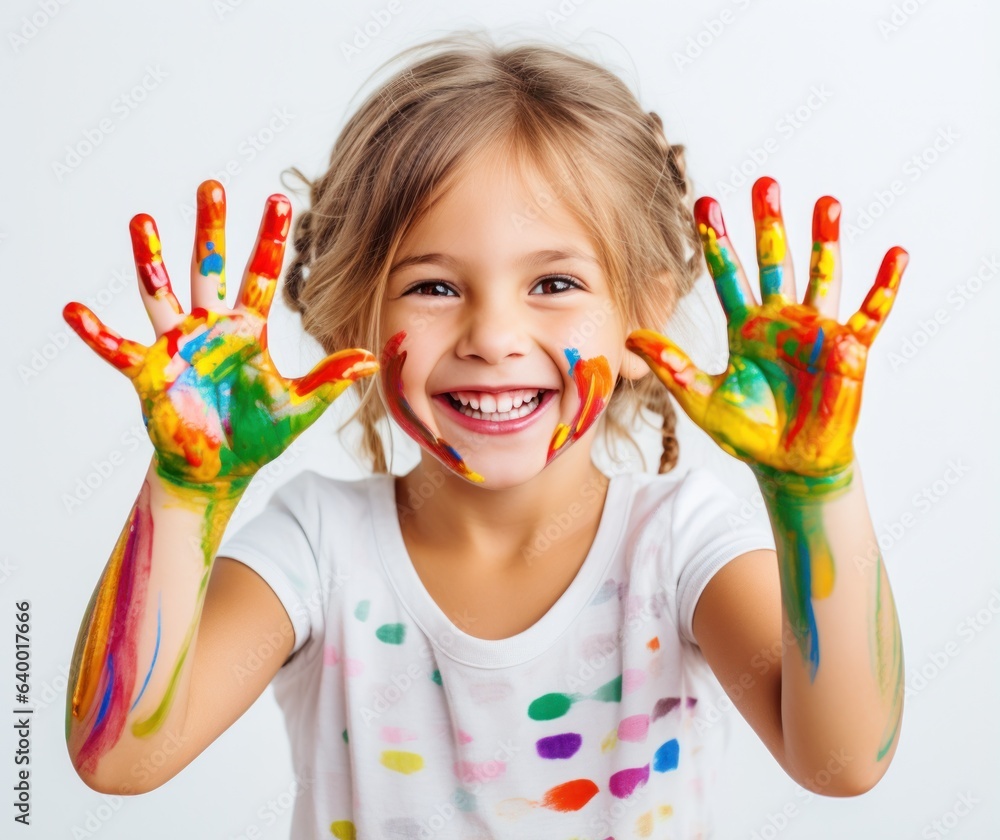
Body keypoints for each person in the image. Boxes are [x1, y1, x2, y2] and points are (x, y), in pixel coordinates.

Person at [63, 30, 907, 839]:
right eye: (432, 287)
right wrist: (190, 486)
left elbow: (841, 761)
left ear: (645, 317)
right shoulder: (319, 547)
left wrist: (814, 490)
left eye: (553, 281)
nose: (492, 335)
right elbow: (122, 757)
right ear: (353, 316)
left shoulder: (678, 543)